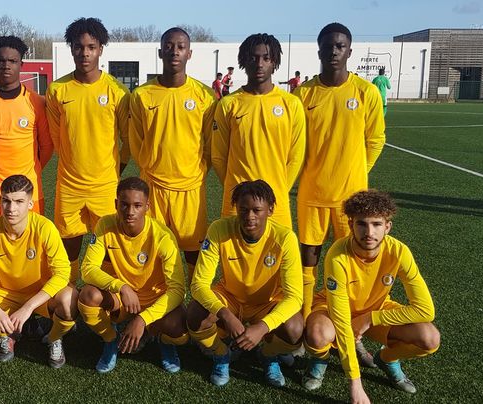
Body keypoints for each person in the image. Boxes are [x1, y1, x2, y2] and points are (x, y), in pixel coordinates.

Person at [302, 190, 440, 402]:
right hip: (333, 310)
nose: (369, 232)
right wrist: (355, 383)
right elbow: (340, 318)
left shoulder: (399, 252)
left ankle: (387, 358)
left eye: (376, 224)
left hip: (376, 309)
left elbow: (425, 310)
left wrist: (370, 318)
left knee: (429, 338)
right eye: (362, 224)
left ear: (388, 227)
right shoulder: (337, 255)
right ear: (351, 225)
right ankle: (321, 359)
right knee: (319, 334)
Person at [293, 23, 385, 340]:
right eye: (329, 45)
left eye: (340, 46)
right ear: (318, 50)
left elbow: (375, 140)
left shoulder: (366, 92)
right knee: (309, 260)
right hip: (312, 194)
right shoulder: (303, 94)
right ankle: (307, 325)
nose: (334, 51)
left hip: (351, 199)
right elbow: (294, 144)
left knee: (349, 262)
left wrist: (358, 172)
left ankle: (346, 328)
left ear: (349, 50)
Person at [0, 175, 77, 368]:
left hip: (39, 293)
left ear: (30, 203)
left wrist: (28, 307)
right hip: (4, 293)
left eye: (19, 202)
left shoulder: (44, 228)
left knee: (70, 300)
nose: (11, 209)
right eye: (6, 201)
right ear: (0, 200)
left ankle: (54, 337)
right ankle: (8, 332)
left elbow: (62, 273)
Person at [187, 180, 303, 387]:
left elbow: (295, 297)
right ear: (236, 209)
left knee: (295, 328)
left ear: (270, 210)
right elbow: (198, 284)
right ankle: (222, 354)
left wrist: (263, 327)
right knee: (196, 313)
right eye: (243, 209)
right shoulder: (219, 229)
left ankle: (268, 354)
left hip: (265, 303)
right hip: (230, 298)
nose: (250, 216)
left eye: (257, 210)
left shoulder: (285, 238)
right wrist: (225, 315)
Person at [46, 17, 130, 285]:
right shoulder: (57, 90)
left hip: (105, 185)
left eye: (91, 47)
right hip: (69, 185)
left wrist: (113, 170)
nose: (85, 53)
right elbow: (57, 137)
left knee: (107, 247)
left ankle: (102, 299)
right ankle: (68, 294)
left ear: (101, 49)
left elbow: (127, 141)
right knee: (68, 244)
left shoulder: (117, 91)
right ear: (71, 48)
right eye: (79, 47)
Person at [129, 27, 216, 286]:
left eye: (180, 47)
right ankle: (152, 309)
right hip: (153, 187)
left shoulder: (204, 96)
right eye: (169, 46)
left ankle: (194, 308)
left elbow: (210, 146)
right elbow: (136, 141)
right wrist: (151, 167)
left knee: (192, 254)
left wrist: (197, 171)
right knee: (152, 251)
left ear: (189, 53)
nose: (174, 51)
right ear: (160, 52)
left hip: (190, 188)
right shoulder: (142, 95)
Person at [78, 177, 187, 374]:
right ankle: (111, 339)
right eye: (124, 205)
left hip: (155, 298)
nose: (130, 212)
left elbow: (178, 289)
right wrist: (121, 286)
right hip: (124, 299)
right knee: (88, 296)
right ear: (116, 204)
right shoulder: (105, 224)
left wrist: (143, 319)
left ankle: (162, 340)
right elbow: (87, 269)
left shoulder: (163, 236)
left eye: (137, 206)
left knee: (179, 328)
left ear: (147, 207)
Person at [212, 33, 305, 229]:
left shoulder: (291, 104)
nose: (259, 63)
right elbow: (219, 156)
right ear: (244, 61)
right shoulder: (228, 104)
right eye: (253, 58)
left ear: (275, 62)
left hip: (276, 203)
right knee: (234, 257)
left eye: (266, 58)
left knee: (277, 258)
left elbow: (296, 156)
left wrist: (276, 192)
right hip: (237, 204)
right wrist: (236, 191)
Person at [0, 35, 52, 225]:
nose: (6, 65)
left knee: (30, 248)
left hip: (29, 192)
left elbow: (46, 147)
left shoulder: (36, 102)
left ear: (21, 64)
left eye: (12, 61)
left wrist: (30, 171)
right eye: (1, 60)